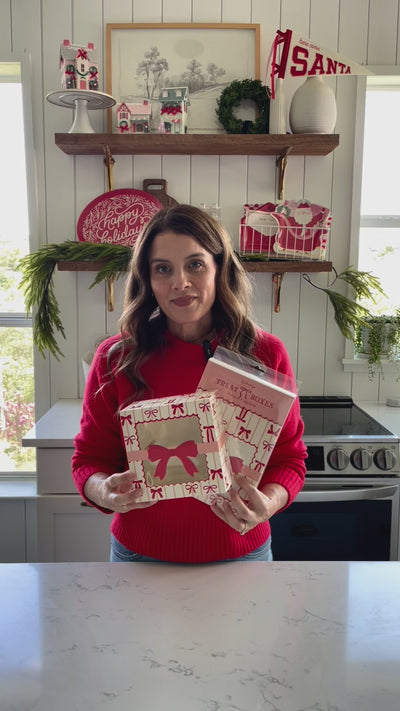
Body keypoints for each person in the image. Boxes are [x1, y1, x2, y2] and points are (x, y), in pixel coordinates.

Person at [72, 204, 307, 563]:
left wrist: (268, 504)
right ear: (148, 281)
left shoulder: (265, 353)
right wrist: (103, 491)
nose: (180, 282)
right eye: (162, 269)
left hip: (241, 556)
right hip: (141, 557)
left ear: (219, 268)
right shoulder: (115, 357)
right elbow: (88, 460)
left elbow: (290, 459)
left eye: (195, 264)